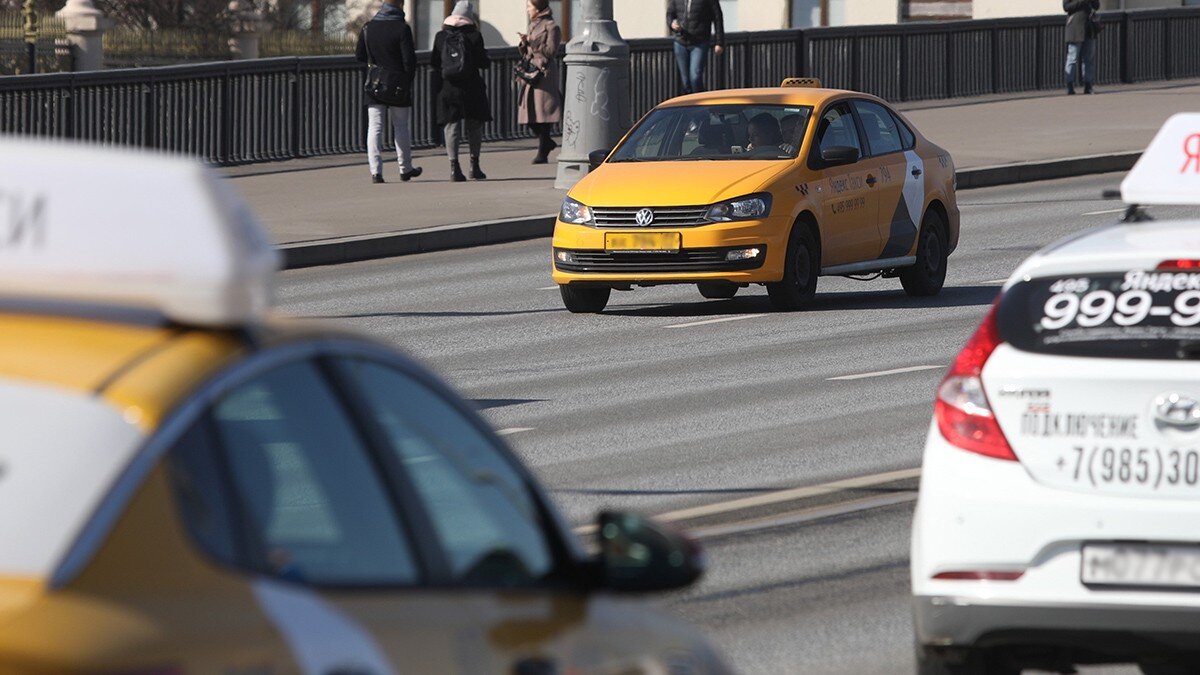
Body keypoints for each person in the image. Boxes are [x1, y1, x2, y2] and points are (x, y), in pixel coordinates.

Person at [355, 0, 421, 184]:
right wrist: (407, 80)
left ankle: (376, 171)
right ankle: (405, 168)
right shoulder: (401, 29)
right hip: (398, 83)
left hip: (375, 83)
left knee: (375, 127)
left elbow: (359, 55)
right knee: (400, 126)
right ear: (399, 5)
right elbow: (409, 60)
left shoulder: (369, 28)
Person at [432, 1, 492, 181]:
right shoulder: (474, 35)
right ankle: (475, 165)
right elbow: (483, 62)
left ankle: (454, 167)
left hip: (448, 87)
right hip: (472, 86)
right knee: (474, 125)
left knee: (452, 126)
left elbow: (434, 62)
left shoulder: (440, 36)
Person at [517, 0, 563, 165]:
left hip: (544, 74)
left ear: (538, 8)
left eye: (530, 6)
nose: (528, 10)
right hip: (531, 71)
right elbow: (528, 50)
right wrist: (524, 43)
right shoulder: (532, 25)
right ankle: (547, 143)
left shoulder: (552, 26)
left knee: (544, 112)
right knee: (529, 113)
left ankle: (543, 150)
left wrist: (532, 41)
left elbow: (551, 51)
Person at [666, 0, 724, 95]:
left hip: (700, 41)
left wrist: (719, 42)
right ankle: (689, 106)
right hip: (680, 41)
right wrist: (672, 24)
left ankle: (701, 101)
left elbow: (717, 17)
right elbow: (670, 13)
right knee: (685, 81)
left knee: (695, 76)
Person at [1063, 0, 1099, 95]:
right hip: (1075, 28)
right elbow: (1066, 7)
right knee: (1072, 58)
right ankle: (1069, 85)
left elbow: (1096, 6)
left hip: (1089, 28)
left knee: (1089, 59)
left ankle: (1088, 85)